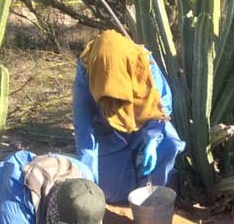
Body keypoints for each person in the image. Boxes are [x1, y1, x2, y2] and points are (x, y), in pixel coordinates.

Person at [73, 30, 186, 203]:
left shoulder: (142, 64)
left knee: (169, 145)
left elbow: (161, 106)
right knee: (108, 192)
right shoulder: (87, 70)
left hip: (145, 127)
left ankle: (154, 191)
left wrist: (152, 141)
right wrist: (88, 179)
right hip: (109, 134)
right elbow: (84, 131)